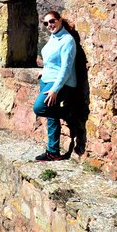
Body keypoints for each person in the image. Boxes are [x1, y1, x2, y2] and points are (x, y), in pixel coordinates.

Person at [32, 10, 77, 161]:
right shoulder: (53, 37)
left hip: (60, 82)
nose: (49, 25)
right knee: (51, 116)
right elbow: (51, 59)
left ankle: (66, 113)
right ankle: (53, 152)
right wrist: (44, 71)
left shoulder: (67, 40)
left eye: (52, 21)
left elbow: (66, 68)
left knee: (39, 108)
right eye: (46, 23)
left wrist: (55, 90)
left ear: (59, 20)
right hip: (47, 79)